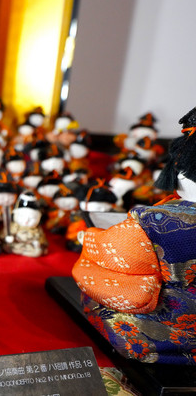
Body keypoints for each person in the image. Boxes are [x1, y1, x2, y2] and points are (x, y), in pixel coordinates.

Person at [72, 107, 196, 365]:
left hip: (171, 324)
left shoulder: (153, 219)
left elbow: (117, 255)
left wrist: (91, 236)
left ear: (181, 171)